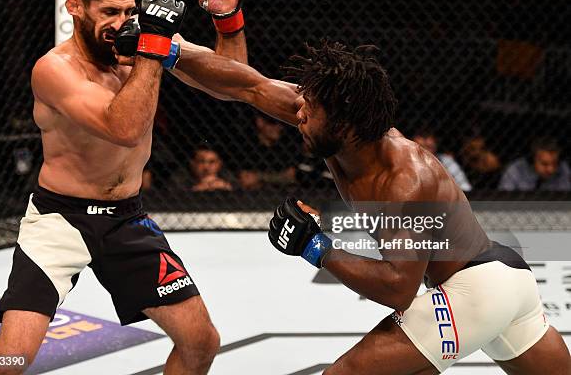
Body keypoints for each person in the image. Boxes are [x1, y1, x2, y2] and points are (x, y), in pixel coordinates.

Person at [171, 41, 570, 374]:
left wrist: (317, 248)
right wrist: (170, 49)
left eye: (311, 109)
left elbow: (399, 288)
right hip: (503, 282)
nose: (300, 113)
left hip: (477, 289)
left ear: (344, 124)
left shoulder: (405, 181)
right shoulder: (330, 124)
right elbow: (247, 86)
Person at [0, 0, 248, 375]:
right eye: (109, 12)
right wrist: (155, 50)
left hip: (127, 219)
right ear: (75, 7)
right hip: (60, 220)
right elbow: (123, 128)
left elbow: (232, 83)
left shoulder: (143, 44)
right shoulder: (55, 69)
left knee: (200, 341)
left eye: (129, 11)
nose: (122, 23)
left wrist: (226, 17)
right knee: (9, 362)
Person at [237, 113, 300, 190]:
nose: (279, 127)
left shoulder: (286, 146)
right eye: (273, 123)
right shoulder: (247, 147)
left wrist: (259, 177)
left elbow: (290, 177)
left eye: (281, 124)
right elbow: (245, 179)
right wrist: (278, 178)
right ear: (260, 122)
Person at [499, 136, 571, 191]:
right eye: (544, 164)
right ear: (532, 160)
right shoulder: (515, 170)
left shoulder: (563, 168)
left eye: (555, 163)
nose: (551, 169)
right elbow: (503, 203)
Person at [412, 127, 472, 191]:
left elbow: (465, 186)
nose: (426, 151)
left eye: (429, 147)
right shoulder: (409, 162)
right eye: (422, 147)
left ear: (436, 144)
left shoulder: (446, 160)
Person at [170, 143, 234, 192]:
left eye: (212, 162)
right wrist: (195, 190)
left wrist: (227, 188)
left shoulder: (227, 178)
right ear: (192, 164)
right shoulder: (180, 179)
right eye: (201, 161)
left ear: (219, 164)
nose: (206, 167)